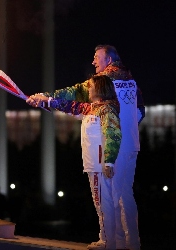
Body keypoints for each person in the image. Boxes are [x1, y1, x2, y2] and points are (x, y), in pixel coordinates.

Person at [28, 45, 145, 250]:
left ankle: (110, 241)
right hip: (129, 144)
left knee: (108, 196)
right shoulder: (131, 81)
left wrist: (46, 97)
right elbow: (141, 111)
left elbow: (73, 95)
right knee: (124, 193)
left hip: (110, 146)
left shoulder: (102, 82)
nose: (93, 61)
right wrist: (127, 129)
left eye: (96, 57)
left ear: (108, 59)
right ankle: (130, 241)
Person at [27, 75, 122, 249]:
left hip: (100, 165)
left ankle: (108, 241)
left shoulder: (107, 110)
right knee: (101, 202)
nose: (88, 89)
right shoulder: (92, 108)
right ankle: (110, 240)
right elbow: (69, 105)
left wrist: (109, 162)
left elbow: (113, 135)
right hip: (94, 165)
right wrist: (44, 100)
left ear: (100, 89)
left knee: (104, 202)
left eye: (91, 86)